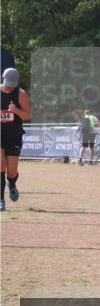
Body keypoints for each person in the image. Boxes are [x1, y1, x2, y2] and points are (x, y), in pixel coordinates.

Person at [1, 68, 32, 212]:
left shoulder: (21, 94)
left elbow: (27, 116)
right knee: (0, 165)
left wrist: (16, 111)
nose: (9, 86)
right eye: (8, 83)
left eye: (12, 84)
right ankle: (1, 200)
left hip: (14, 136)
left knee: (12, 172)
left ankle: (12, 184)